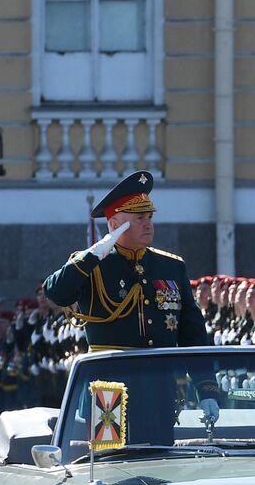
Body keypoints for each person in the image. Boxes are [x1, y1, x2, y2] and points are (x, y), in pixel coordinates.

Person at [42, 170, 217, 422]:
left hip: (159, 391)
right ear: (115, 225)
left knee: (159, 459)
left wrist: (206, 389)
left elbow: (193, 334)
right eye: (138, 219)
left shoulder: (171, 266)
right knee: (109, 460)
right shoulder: (94, 264)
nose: (148, 224)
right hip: (107, 391)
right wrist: (93, 254)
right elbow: (56, 292)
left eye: (149, 217)